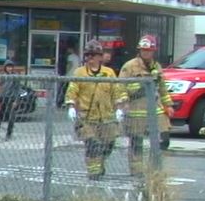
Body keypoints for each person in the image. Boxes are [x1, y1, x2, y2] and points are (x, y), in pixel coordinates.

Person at [65, 40, 125, 179]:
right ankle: (94, 173)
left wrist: (119, 108)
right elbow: (72, 91)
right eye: (87, 55)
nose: (89, 58)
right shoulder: (79, 73)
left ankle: (100, 163)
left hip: (107, 117)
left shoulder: (109, 73)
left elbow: (116, 91)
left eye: (93, 55)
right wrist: (71, 106)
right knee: (92, 144)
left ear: (100, 57)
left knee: (108, 144)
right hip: (86, 118)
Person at [119, 35, 175, 176]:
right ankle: (136, 172)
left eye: (148, 50)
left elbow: (162, 88)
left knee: (163, 140)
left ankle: (155, 169)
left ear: (153, 51)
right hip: (136, 111)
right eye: (143, 50)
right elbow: (120, 87)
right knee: (136, 143)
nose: (146, 53)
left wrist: (168, 105)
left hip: (155, 111)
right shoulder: (129, 66)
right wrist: (124, 103)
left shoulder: (156, 66)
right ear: (139, 50)